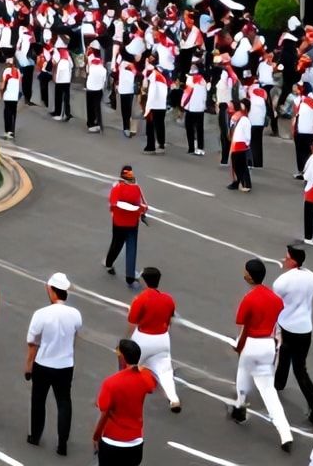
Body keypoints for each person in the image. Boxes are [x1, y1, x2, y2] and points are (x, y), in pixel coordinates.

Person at [229, 258, 293, 452]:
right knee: (268, 391)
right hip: (268, 345)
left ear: (249, 276)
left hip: (252, 344)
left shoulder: (249, 299)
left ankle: (240, 407)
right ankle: (285, 432)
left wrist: (238, 346)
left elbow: (243, 325)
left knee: (243, 375)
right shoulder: (275, 299)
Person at [24, 272, 82, 455]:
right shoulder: (75, 314)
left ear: (52, 291)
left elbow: (32, 342)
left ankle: (35, 435)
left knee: (38, 400)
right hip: (65, 364)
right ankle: (62, 443)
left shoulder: (41, 314)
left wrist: (28, 365)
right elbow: (74, 336)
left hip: (43, 363)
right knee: (64, 402)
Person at [273, 244, 313, 427]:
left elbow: (276, 303)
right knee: (291, 359)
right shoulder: (311, 277)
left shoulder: (282, 281)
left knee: (296, 367)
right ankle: (279, 383)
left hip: (287, 326)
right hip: (304, 328)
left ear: (293, 261)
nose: (284, 260)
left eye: (286, 257)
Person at [91, 339, 156, 466]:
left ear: (122, 356)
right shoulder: (145, 377)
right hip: (135, 442)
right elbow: (150, 385)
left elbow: (104, 413)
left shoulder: (111, 383)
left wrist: (96, 436)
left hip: (112, 442)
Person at [125, 267, 180, 413]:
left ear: (144, 280)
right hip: (162, 338)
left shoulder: (140, 299)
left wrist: (128, 339)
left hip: (143, 338)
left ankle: (127, 396)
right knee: (165, 370)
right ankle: (173, 399)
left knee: (131, 367)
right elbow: (170, 319)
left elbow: (132, 321)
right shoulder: (168, 299)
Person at [104, 166, 146, 287]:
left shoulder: (116, 187)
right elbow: (143, 205)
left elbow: (113, 205)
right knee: (131, 248)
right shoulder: (137, 188)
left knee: (116, 244)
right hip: (132, 223)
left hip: (118, 222)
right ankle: (130, 276)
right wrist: (140, 211)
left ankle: (109, 264)